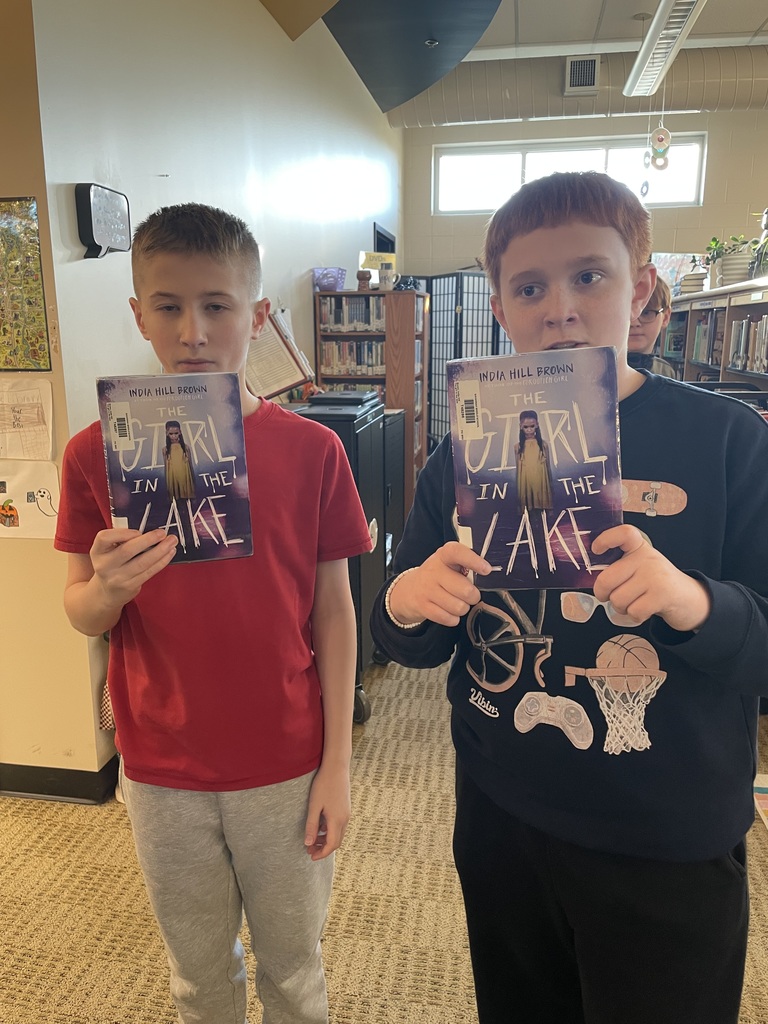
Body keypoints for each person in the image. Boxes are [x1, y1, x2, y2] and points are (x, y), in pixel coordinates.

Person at [370, 171, 768, 1024]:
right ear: (500, 306)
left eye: (590, 275)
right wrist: (408, 598)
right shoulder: (459, 455)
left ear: (642, 286)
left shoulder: (729, 441)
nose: (560, 307)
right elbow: (408, 639)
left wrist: (692, 601)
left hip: (665, 838)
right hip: (502, 812)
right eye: (530, 286)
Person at [54, 203, 372, 1024]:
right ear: (138, 314)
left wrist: (337, 762)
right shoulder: (93, 455)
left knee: (295, 973)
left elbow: (335, 616)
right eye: (168, 306)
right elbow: (82, 614)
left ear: (257, 315)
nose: (192, 330)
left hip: (287, 756)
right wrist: (109, 588)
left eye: (217, 305)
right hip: (163, 767)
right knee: (198, 979)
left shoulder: (313, 452)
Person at [627, 275, 677, 377]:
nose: (634, 323)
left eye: (646, 313)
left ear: (665, 317)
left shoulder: (666, 372)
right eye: (625, 313)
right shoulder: (593, 371)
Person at [514, 409, 553, 511]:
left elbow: (547, 466)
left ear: (537, 425)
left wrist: (550, 484)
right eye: (526, 427)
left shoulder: (543, 445)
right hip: (526, 480)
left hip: (540, 479)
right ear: (521, 426)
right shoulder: (517, 447)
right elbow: (519, 471)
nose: (529, 430)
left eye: (532, 426)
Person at [163, 419, 195, 500]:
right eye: (171, 434)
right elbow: (166, 468)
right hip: (173, 477)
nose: (174, 436)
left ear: (180, 432)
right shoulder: (165, 450)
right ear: (167, 433)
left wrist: (193, 481)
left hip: (184, 477)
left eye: (176, 433)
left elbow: (190, 465)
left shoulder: (186, 447)